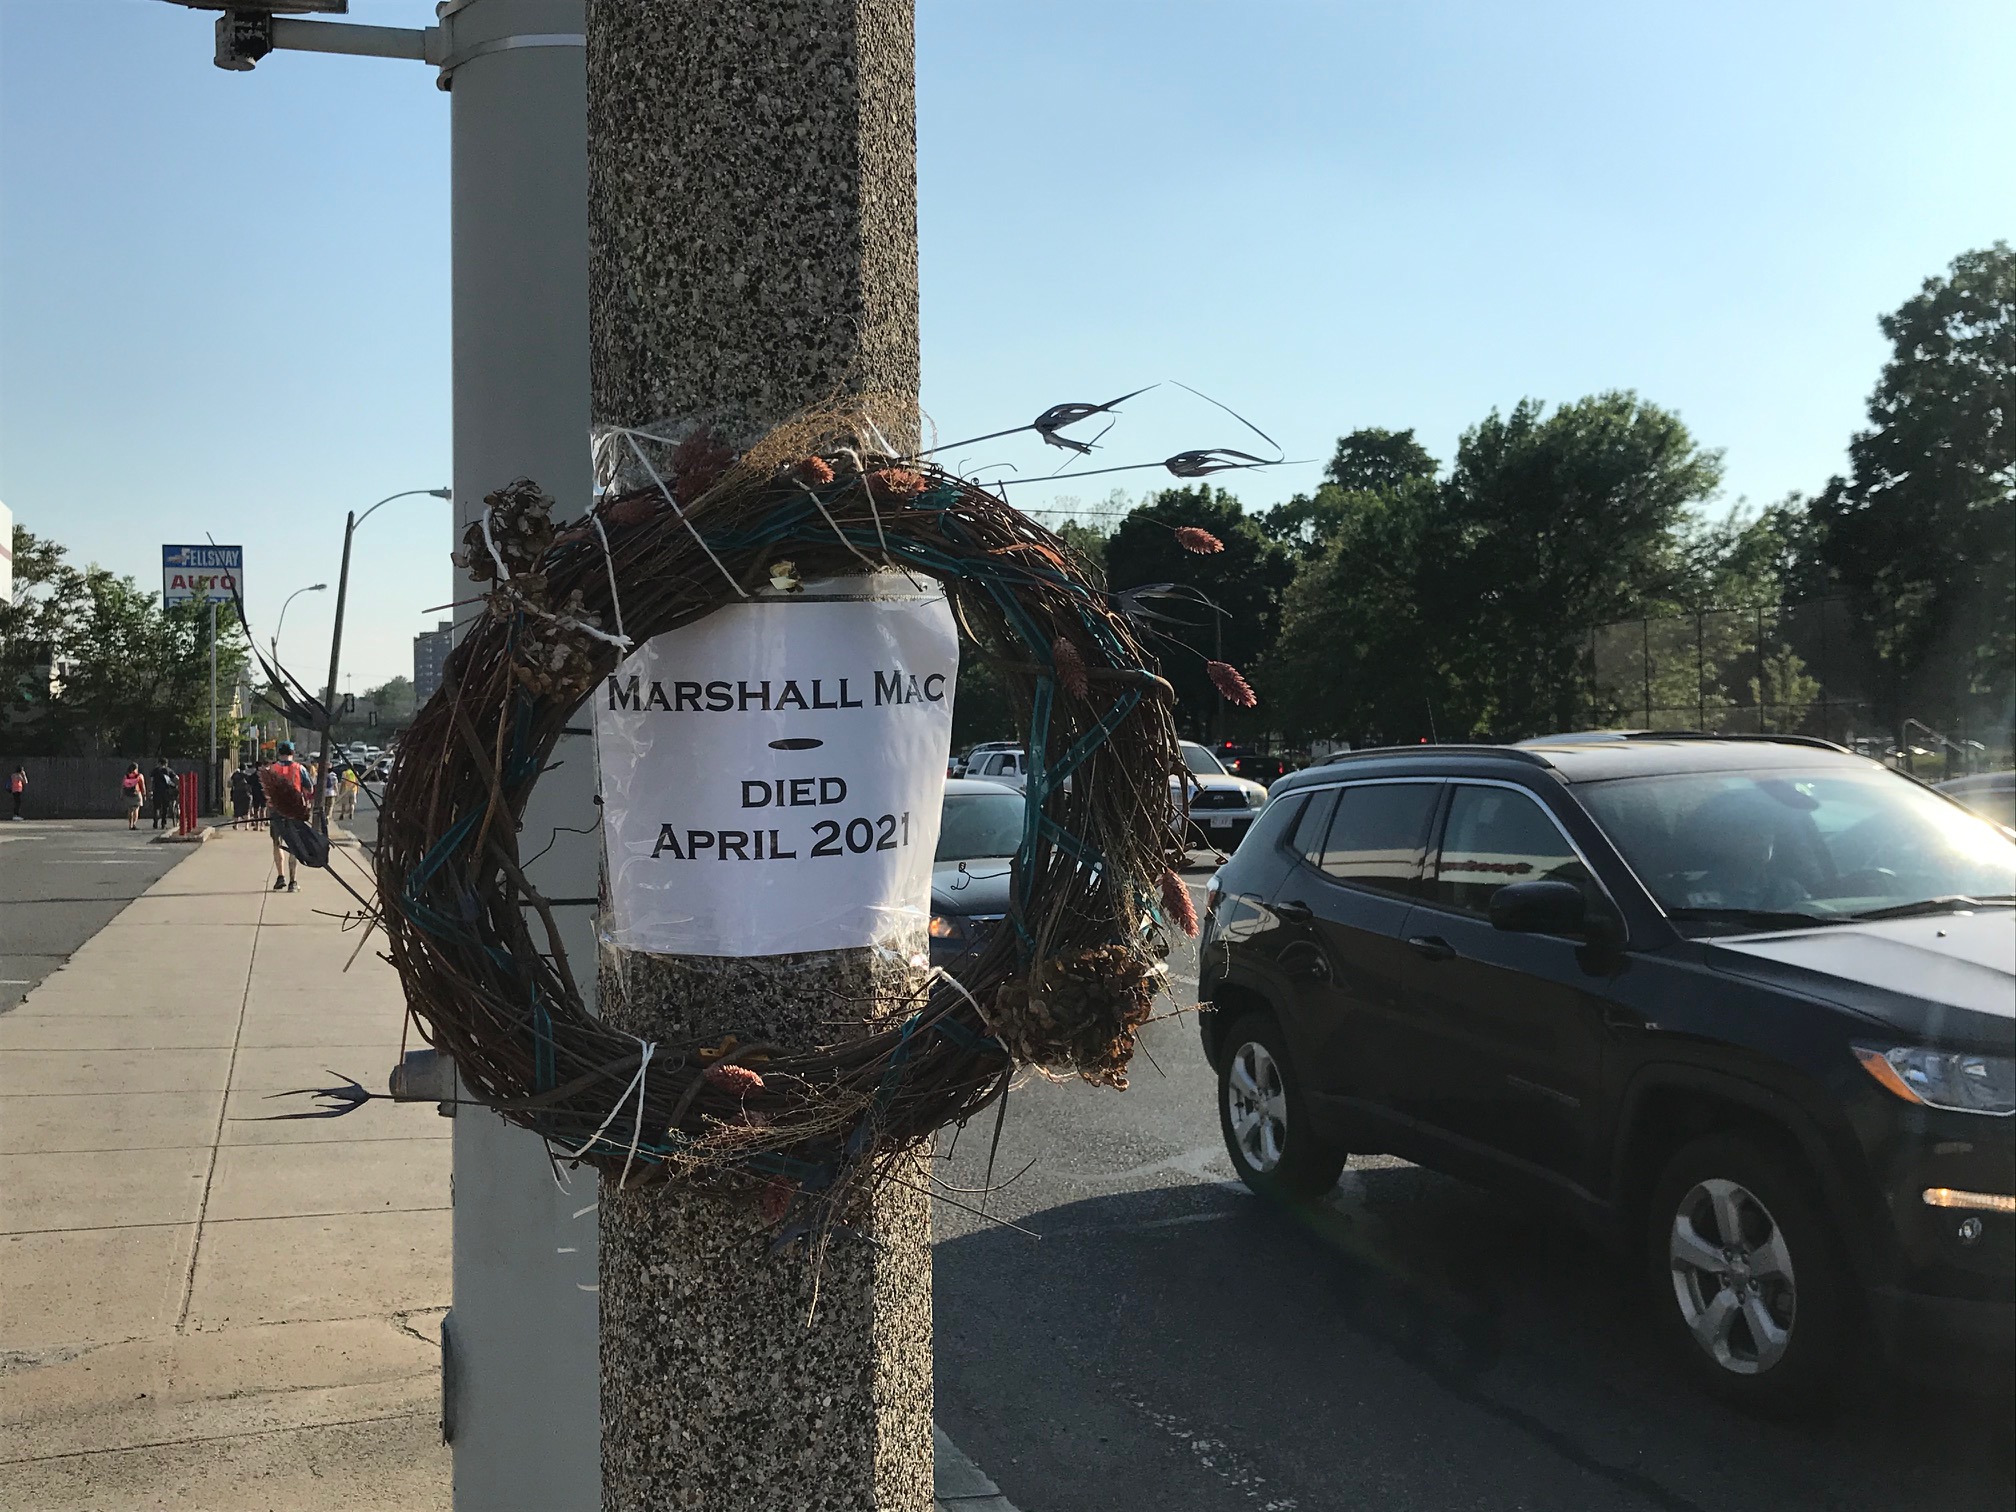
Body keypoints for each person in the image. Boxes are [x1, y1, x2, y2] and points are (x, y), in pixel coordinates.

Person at [267, 742, 312, 892]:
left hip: (276, 811)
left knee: (277, 843)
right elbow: (310, 787)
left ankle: (281, 877)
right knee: (294, 845)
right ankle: (293, 882)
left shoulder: (272, 769)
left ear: (279, 752)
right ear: (293, 752)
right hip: (294, 811)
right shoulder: (300, 769)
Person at [150, 758, 178, 830]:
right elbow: (176, 778)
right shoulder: (169, 770)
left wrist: (151, 790)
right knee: (165, 808)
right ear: (166, 763)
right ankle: (163, 823)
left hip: (156, 791)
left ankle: (155, 822)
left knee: (156, 807)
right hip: (166, 792)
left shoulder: (155, 771)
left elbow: (152, 781)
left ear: (159, 763)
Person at [120, 763, 146, 830]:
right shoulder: (139, 775)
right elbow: (142, 786)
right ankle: (134, 824)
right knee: (136, 809)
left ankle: (130, 824)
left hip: (128, 794)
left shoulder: (126, 776)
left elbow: (123, 786)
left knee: (130, 810)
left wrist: (122, 794)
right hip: (136, 794)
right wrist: (144, 794)